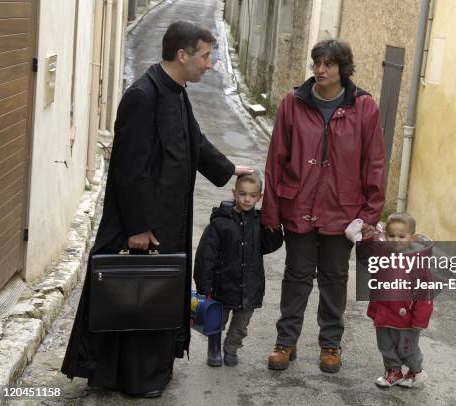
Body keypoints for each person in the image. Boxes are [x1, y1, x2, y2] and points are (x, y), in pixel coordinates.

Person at [61, 20, 252, 397]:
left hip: (168, 221)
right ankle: (133, 378)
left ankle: (151, 372)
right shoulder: (142, 96)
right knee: (135, 297)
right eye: (205, 55)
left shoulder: (177, 91)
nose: (209, 64)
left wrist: (229, 169)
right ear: (182, 55)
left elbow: (193, 139)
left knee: (156, 297)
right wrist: (138, 226)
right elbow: (128, 170)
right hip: (143, 224)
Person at [262, 39, 386, 373]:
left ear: (342, 69)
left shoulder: (364, 107)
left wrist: (370, 214)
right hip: (298, 205)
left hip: (343, 211)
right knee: (296, 276)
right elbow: (276, 160)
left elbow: (374, 162)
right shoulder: (293, 103)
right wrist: (271, 210)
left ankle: (330, 344)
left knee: (334, 277)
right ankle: (285, 343)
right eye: (317, 62)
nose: (320, 70)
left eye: (328, 64)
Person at [194, 172, 283, 367]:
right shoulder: (220, 223)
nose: (247, 199)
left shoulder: (259, 222)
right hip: (223, 284)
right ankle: (214, 348)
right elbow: (205, 256)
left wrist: (275, 228)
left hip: (250, 284)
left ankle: (231, 348)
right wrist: (204, 286)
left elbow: (269, 246)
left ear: (259, 197)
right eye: (243, 194)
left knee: (241, 323)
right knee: (217, 319)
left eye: (252, 196)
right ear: (234, 193)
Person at [366, 212, 433, 388]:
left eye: (401, 236)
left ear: (412, 237)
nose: (396, 240)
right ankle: (393, 371)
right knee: (385, 345)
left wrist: (420, 320)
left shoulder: (418, 263)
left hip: (407, 318)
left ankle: (416, 372)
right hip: (384, 313)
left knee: (407, 349)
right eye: (391, 235)